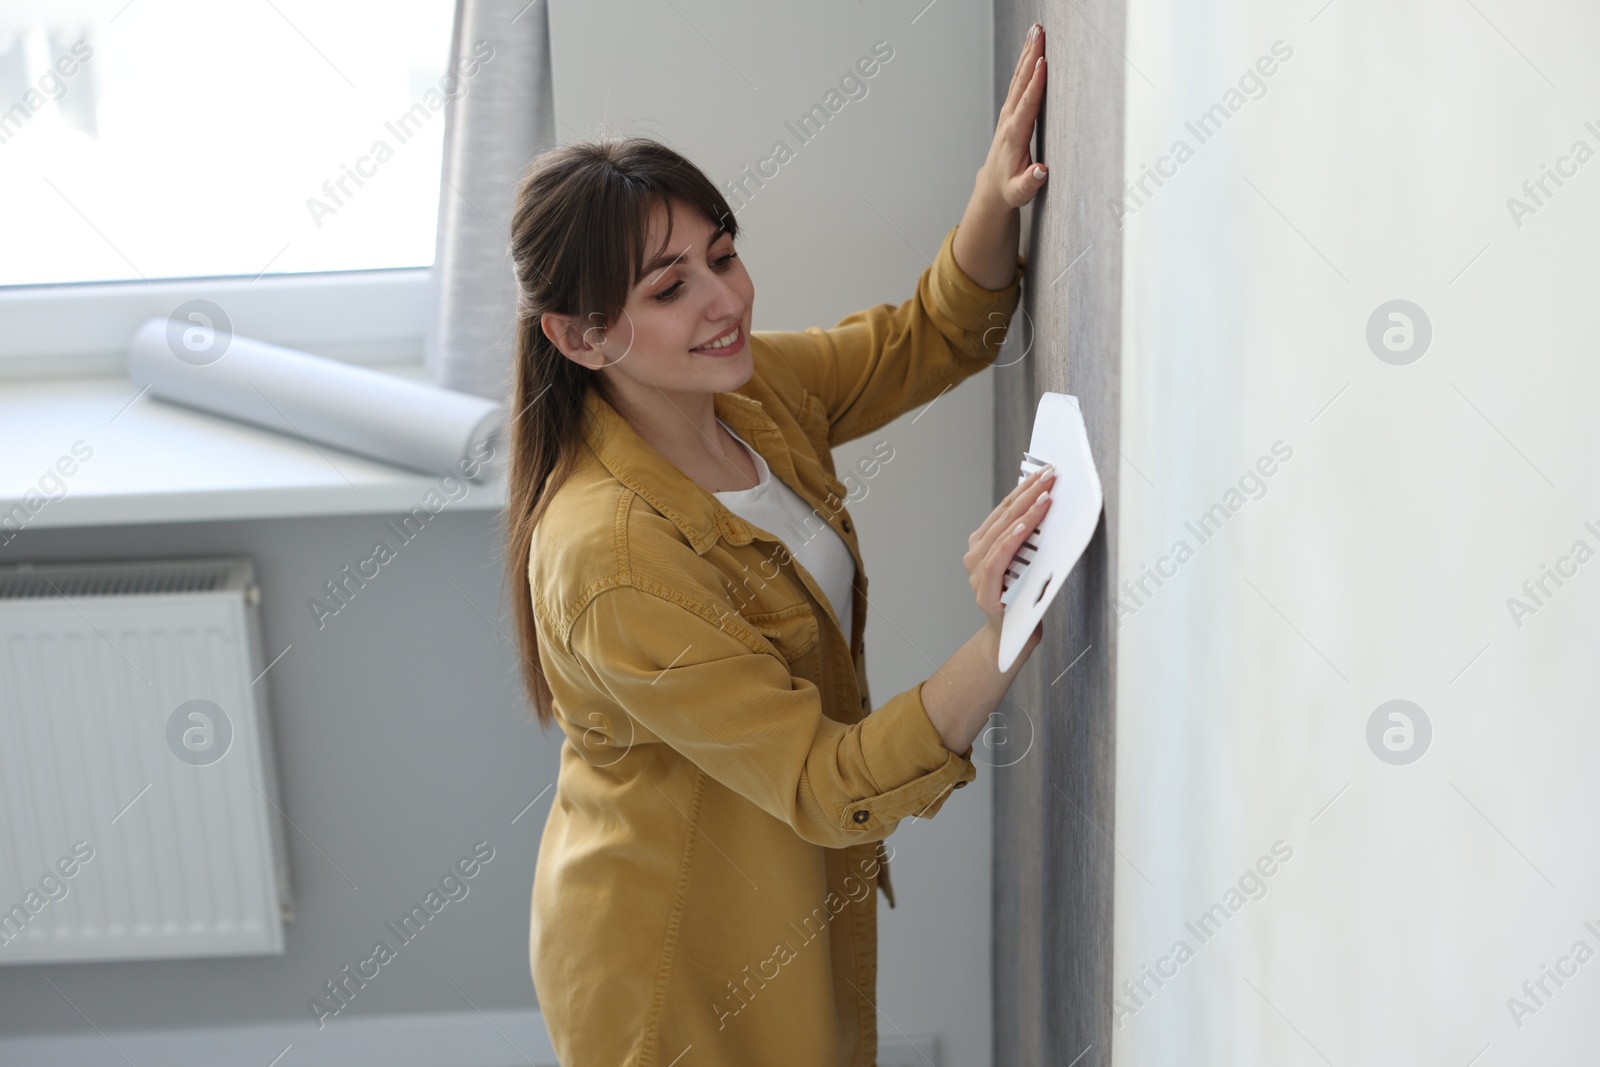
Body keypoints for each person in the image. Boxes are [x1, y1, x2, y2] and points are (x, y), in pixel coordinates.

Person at [503, 23, 1055, 1066]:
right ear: (578, 338)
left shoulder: (744, 393)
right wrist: (1001, 634)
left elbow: (932, 337)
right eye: (669, 289)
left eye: (722, 254)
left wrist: (996, 189)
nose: (725, 302)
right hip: (670, 960)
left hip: (773, 881)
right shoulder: (609, 557)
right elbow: (823, 780)